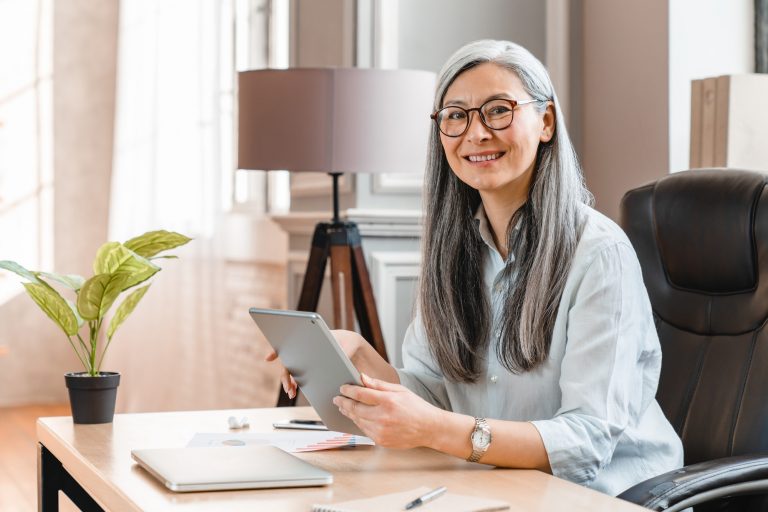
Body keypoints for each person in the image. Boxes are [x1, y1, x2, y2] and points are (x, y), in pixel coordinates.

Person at [267, 39, 683, 496]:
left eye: (498, 110)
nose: (476, 133)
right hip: (499, 488)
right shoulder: (453, 250)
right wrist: (360, 358)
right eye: (456, 115)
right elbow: (434, 395)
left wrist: (434, 430)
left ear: (545, 122)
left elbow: (585, 442)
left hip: (609, 495)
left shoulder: (598, 254)